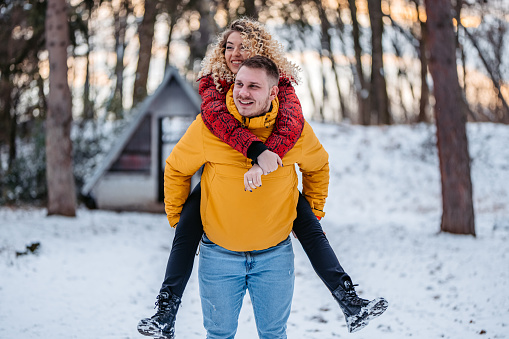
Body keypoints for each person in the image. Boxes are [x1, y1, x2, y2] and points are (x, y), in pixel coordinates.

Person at [138, 19, 387, 339]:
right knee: (187, 222)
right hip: (220, 210)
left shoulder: (281, 91)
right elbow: (206, 134)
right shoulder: (214, 90)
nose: (235, 54)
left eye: (244, 47)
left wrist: (302, 201)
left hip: (275, 217)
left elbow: (294, 128)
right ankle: (166, 311)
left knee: (309, 224)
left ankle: (349, 300)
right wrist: (177, 213)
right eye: (229, 46)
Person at [168, 55, 330, 338]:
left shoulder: (293, 130)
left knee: (273, 334)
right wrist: (178, 219)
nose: (243, 92)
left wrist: (313, 211)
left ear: (273, 91)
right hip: (218, 256)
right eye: (239, 84)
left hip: (274, 257)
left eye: (253, 86)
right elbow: (176, 168)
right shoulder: (208, 128)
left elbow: (318, 166)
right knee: (219, 334)